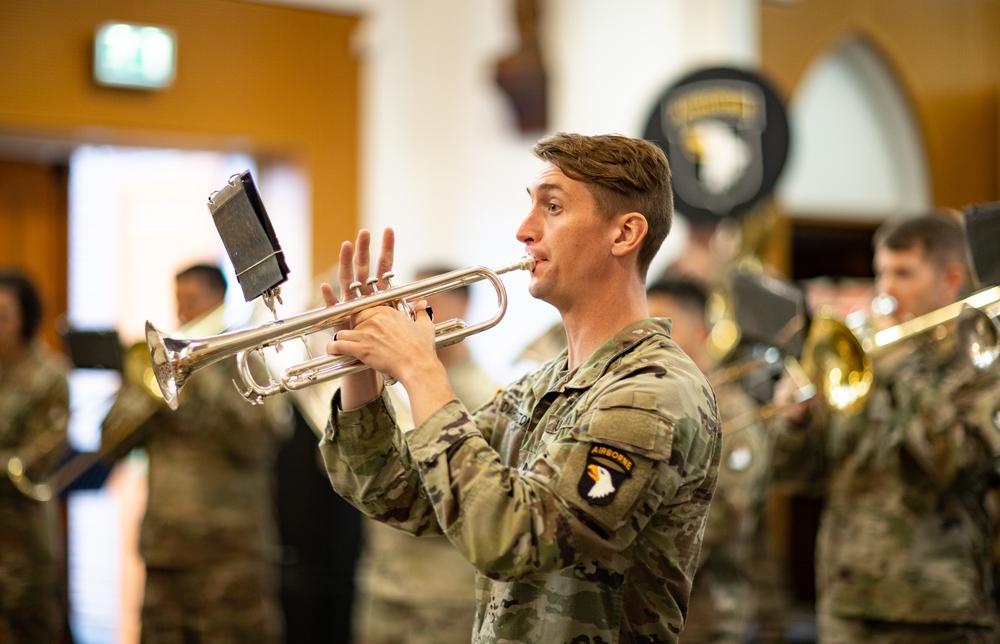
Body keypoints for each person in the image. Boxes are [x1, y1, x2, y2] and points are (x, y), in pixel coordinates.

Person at [319, 132, 722, 642]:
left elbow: (513, 537)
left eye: (552, 207)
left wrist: (421, 370)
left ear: (624, 234)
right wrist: (362, 364)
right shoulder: (541, 386)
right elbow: (399, 494)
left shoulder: (654, 392)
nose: (523, 231)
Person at [770, 210, 1000, 643]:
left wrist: (901, 368)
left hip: (936, 611)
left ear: (950, 279)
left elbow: (955, 465)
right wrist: (795, 424)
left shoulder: (979, 363)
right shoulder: (860, 358)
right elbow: (800, 476)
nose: (886, 290)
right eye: (881, 273)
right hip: (847, 604)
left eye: (904, 273)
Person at [100, 263, 289, 643]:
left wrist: (203, 378)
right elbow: (110, 445)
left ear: (218, 300)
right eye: (179, 302)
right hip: (165, 552)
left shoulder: (244, 360)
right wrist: (141, 392)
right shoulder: (156, 363)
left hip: (231, 557)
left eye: (193, 301)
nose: (184, 312)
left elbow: (259, 446)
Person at [351, 265, 500, 644]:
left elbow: (470, 499)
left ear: (462, 306)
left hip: (442, 594)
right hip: (382, 582)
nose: (413, 314)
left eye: (428, 303)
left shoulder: (486, 394)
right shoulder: (396, 383)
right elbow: (360, 477)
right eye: (410, 302)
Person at [646, 276, 770, 643]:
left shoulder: (729, 411)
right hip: (650, 609)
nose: (650, 339)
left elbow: (721, 518)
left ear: (701, 330)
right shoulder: (658, 398)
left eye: (664, 326)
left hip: (708, 614)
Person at [0, 269, 71, 644]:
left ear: (25, 317)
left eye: (3, 315)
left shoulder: (50, 377)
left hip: (21, 542)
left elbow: (34, 460)